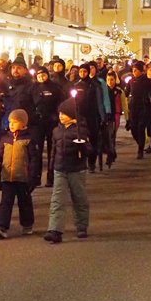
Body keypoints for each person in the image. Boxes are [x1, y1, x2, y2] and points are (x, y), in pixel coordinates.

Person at [44, 98, 93, 244]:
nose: (60, 116)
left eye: (64, 114)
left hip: (76, 169)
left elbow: (89, 150)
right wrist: (51, 168)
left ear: (71, 115)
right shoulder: (56, 131)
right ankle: (55, 230)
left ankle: (81, 226)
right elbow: (53, 151)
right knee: (57, 200)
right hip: (60, 169)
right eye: (59, 113)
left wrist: (82, 146)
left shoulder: (81, 130)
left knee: (79, 198)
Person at [0, 109, 38, 239]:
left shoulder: (28, 139)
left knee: (25, 202)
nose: (11, 125)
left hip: (23, 177)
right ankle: (1, 226)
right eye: (10, 122)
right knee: (6, 202)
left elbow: (34, 159)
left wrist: (33, 176)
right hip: (7, 177)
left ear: (23, 124)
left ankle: (27, 224)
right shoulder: (5, 138)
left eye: (15, 122)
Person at [30, 66, 63, 187]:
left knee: (52, 150)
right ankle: (36, 177)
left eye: (43, 75)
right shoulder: (33, 88)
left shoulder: (55, 88)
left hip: (51, 122)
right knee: (37, 151)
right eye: (39, 76)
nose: (41, 78)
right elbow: (29, 103)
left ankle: (51, 177)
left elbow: (60, 103)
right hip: (37, 123)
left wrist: (56, 115)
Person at [126, 61, 151, 159]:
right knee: (134, 129)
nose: (134, 72)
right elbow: (126, 92)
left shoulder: (147, 81)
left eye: (136, 70)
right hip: (133, 107)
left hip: (144, 107)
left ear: (141, 71)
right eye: (133, 70)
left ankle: (140, 150)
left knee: (141, 127)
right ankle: (140, 143)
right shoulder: (131, 81)